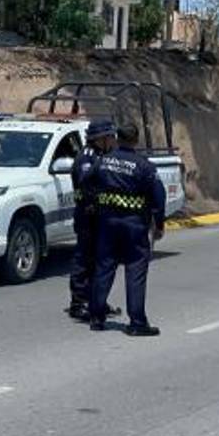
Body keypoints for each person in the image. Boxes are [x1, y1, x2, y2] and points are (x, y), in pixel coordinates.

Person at [88, 124, 167, 336]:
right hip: (134, 226)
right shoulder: (144, 166)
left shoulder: (103, 161)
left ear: (117, 138)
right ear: (136, 140)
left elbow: (87, 183)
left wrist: (95, 206)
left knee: (104, 268)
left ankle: (96, 318)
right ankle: (137, 323)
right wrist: (159, 224)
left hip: (107, 224)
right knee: (135, 271)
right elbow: (159, 197)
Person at [66, 120, 119, 321]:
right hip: (88, 215)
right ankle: (79, 303)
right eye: (110, 137)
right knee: (85, 259)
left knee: (100, 261)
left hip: (101, 215)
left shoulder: (103, 155)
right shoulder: (86, 157)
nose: (113, 140)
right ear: (100, 138)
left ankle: (97, 301)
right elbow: (86, 183)